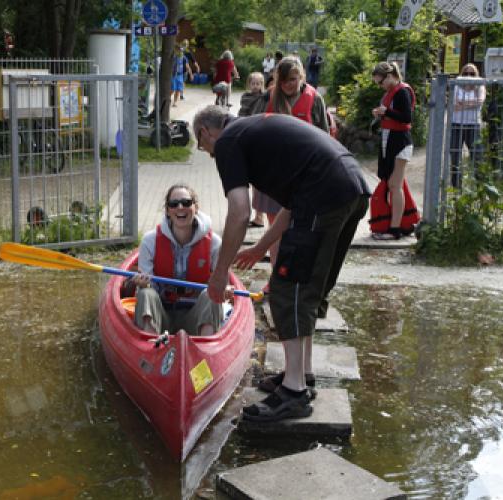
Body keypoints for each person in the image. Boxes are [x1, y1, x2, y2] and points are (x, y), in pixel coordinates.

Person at [193, 105, 370, 422]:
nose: (206, 153)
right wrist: (259, 247)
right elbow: (289, 208)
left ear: (206, 131)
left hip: (325, 191)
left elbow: (239, 212)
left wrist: (220, 274)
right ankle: (301, 373)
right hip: (351, 186)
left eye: (201, 144)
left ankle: (294, 393)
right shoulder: (255, 132)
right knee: (309, 287)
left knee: (288, 287)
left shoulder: (229, 142)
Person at [253, 56, 330, 295]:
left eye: (293, 80)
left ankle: (297, 278)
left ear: (302, 77)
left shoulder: (314, 99)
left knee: (300, 229)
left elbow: (325, 137)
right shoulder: (268, 97)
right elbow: (253, 127)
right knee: (274, 228)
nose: (288, 85)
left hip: (303, 175)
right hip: (272, 174)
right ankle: (276, 278)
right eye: (284, 80)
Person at [130, 184, 226, 337]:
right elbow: (149, 286)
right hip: (162, 313)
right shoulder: (150, 241)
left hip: (197, 315)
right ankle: (151, 347)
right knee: (145, 293)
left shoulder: (214, 243)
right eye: (174, 204)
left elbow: (222, 280)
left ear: (196, 207)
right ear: (168, 211)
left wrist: (224, 289)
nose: (180, 207)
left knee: (212, 295)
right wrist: (144, 284)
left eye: (186, 203)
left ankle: (206, 349)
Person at [371, 61, 415, 240]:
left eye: (380, 82)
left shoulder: (402, 91)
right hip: (390, 142)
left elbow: (406, 117)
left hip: (400, 143)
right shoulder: (390, 93)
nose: (379, 86)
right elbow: (391, 115)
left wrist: (386, 112)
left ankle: (395, 228)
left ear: (389, 76)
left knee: (395, 186)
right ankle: (400, 223)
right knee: (393, 184)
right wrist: (381, 114)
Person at [238, 72, 268, 228]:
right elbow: (242, 115)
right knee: (253, 182)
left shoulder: (265, 98)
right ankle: (256, 216)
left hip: (261, 139)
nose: (256, 86)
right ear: (249, 84)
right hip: (249, 139)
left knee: (260, 183)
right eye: (253, 83)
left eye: (259, 83)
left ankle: (260, 216)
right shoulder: (245, 98)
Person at [450, 63, 485, 188]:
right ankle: (456, 188)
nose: (468, 76)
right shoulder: (457, 86)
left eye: (472, 73)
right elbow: (454, 105)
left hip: (473, 125)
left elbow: (480, 101)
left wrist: (463, 104)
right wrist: (472, 103)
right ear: (461, 74)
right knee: (455, 157)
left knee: (477, 156)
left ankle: (481, 187)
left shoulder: (479, 85)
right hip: (456, 125)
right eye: (465, 73)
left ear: (476, 75)